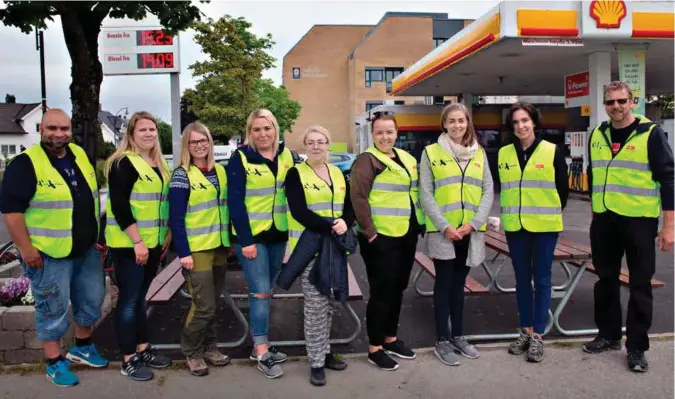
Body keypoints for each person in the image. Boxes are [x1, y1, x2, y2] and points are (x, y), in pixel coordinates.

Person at [0, 109, 107, 387]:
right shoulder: (25, 164)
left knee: (91, 299)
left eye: (64, 128)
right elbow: (12, 213)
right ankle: (53, 362)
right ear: (41, 129)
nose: (59, 134)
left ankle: (82, 347)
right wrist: (26, 250)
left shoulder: (79, 155)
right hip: (47, 253)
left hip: (85, 249)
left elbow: (89, 198)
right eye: (52, 128)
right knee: (52, 308)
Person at [582, 81, 674, 373]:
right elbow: (594, 176)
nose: (616, 107)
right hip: (605, 221)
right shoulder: (597, 133)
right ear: (605, 105)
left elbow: (668, 180)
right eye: (610, 102)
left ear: (632, 101)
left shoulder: (651, 133)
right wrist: (595, 213)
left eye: (621, 101)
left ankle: (636, 348)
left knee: (639, 285)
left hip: (639, 222)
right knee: (605, 279)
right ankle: (608, 335)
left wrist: (669, 226)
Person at [419, 103, 493, 366]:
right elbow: (425, 194)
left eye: (461, 121)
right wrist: (444, 226)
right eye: (452, 121)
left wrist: (473, 223)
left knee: (458, 288)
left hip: (469, 232)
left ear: (468, 123)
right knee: (443, 285)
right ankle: (442, 340)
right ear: (444, 124)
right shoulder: (430, 153)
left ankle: (459, 336)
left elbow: (487, 191)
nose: (457, 126)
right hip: (444, 233)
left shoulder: (479, 153)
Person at [350, 110, 425, 371]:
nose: (385, 136)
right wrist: (370, 232)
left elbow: (413, 192)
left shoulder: (405, 158)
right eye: (380, 132)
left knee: (397, 288)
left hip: (405, 233)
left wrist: (419, 224)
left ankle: (390, 338)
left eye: (389, 131)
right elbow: (358, 198)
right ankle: (375, 347)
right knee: (382, 292)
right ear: (372, 134)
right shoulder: (366, 160)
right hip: (379, 238)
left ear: (397, 132)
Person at [280, 125, 355, 386]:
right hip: (309, 246)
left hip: (334, 246)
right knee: (314, 305)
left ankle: (324, 351)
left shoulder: (337, 172)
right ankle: (315, 362)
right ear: (303, 147)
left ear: (328, 145)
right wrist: (331, 225)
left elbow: (349, 206)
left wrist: (346, 221)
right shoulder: (294, 173)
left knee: (329, 302)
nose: (316, 146)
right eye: (310, 142)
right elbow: (299, 211)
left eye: (321, 142)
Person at [104, 111, 172, 381]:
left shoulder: (156, 163)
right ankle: (128, 358)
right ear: (131, 134)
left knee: (140, 298)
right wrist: (138, 242)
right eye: (142, 130)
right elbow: (120, 207)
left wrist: (161, 239)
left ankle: (143, 349)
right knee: (129, 301)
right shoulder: (123, 162)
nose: (148, 134)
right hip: (131, 245)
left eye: (152, 129)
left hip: (152, 244)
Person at [498, 102, 568, 363]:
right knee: (521, 280)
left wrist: (545, 212)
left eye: (525, 120)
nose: (520, 126)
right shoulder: (504, 153)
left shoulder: (552, 151)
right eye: (515, 122)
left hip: (545, 227)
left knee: (542, 280)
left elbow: (563, 192)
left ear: (534, 122)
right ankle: (525, 331)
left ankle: (538, 336)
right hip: (516, 227)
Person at [226, 109, 292, 379]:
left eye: (267, 128)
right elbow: (235, 202)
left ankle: (260, 344)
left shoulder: (288, 156)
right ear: (249, 133)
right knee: (260, 290)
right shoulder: (240, 158)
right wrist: (246, 240)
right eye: (256, 130)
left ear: (275, 129)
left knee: (268, 288)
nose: (263, 134)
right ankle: (262, 350)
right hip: (251, 238)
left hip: (278, 234)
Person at [169, 122, 231, 376]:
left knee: (213, 303)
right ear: (187, 145)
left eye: (203, 140)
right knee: (203, 305)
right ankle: (192, 352)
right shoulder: (182, 175)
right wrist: (183, 252)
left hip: (219, 247)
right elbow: (176, 217)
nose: (199, 145)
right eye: (193, 142)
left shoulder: (220, 172)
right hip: (196, 250)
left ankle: (209, 347)